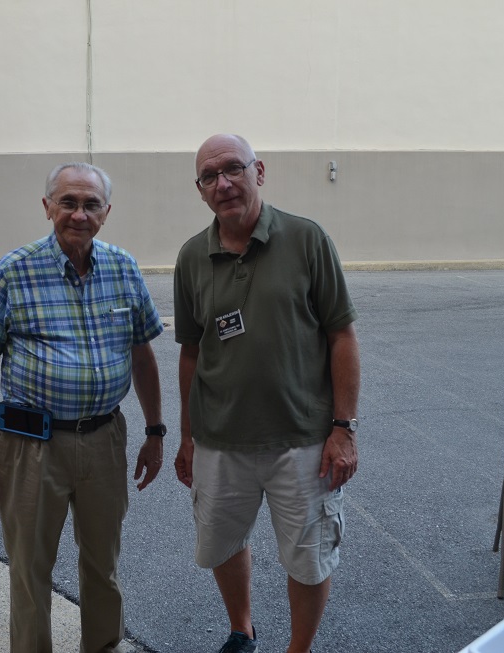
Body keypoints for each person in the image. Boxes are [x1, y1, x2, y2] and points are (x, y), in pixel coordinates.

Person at [0, 162, 167, 653]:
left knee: (103, 565)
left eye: (91, 204)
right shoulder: (15, 270)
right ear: (47, 206)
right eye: (68, 202)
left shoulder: (123, 267)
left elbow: (142, 356)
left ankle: (103, 647)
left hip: (104, 439)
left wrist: (156, 431)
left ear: (106, 212)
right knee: (30, 571)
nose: (79, 214)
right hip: (32, 446)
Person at [172, 134, 360, 653]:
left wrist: (343, 429)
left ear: (258, 172)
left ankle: (298, 649)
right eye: (210, 176)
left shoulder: (306, 239)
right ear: (200, 189)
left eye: (233, 169)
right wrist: (187, 436)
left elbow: (341, 336)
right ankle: (242, 630)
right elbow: (191, 353)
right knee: (222, 544)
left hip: (302, 440)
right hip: (219, 441)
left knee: (308, 556)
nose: (223, 183)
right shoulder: (192, 257)